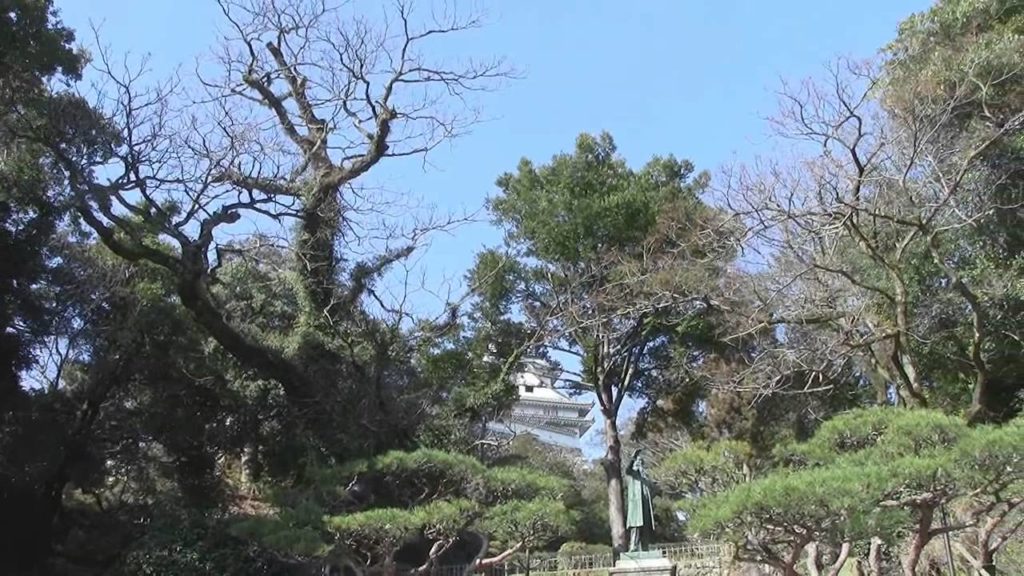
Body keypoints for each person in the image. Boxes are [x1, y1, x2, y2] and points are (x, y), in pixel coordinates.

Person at [624, 448, 654, 552]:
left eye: (641, 462)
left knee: (645, 526)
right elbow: (627, 470)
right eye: (638, 462)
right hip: (636, 504)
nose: (639, 464)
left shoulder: (644, 478)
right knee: (636, 526)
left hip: (645, 504)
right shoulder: (633, 474)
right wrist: (633, 458)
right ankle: (633, 546)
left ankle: (645, 548)